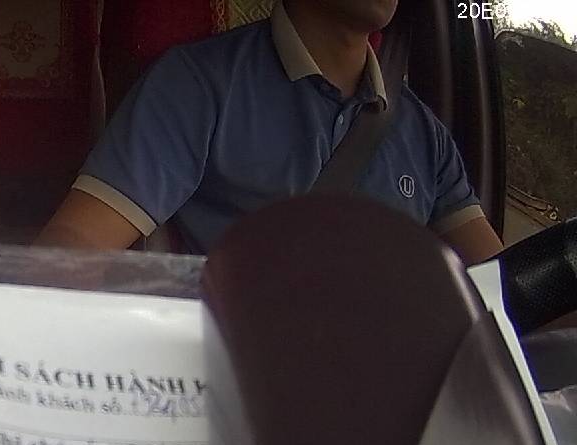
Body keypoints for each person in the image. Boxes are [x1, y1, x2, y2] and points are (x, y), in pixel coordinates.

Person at [36, 0, 504, 264]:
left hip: (406, 384)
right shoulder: (198, 84)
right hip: (252, 375)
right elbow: (76, 245)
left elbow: (504, 287)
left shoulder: (426, 134)